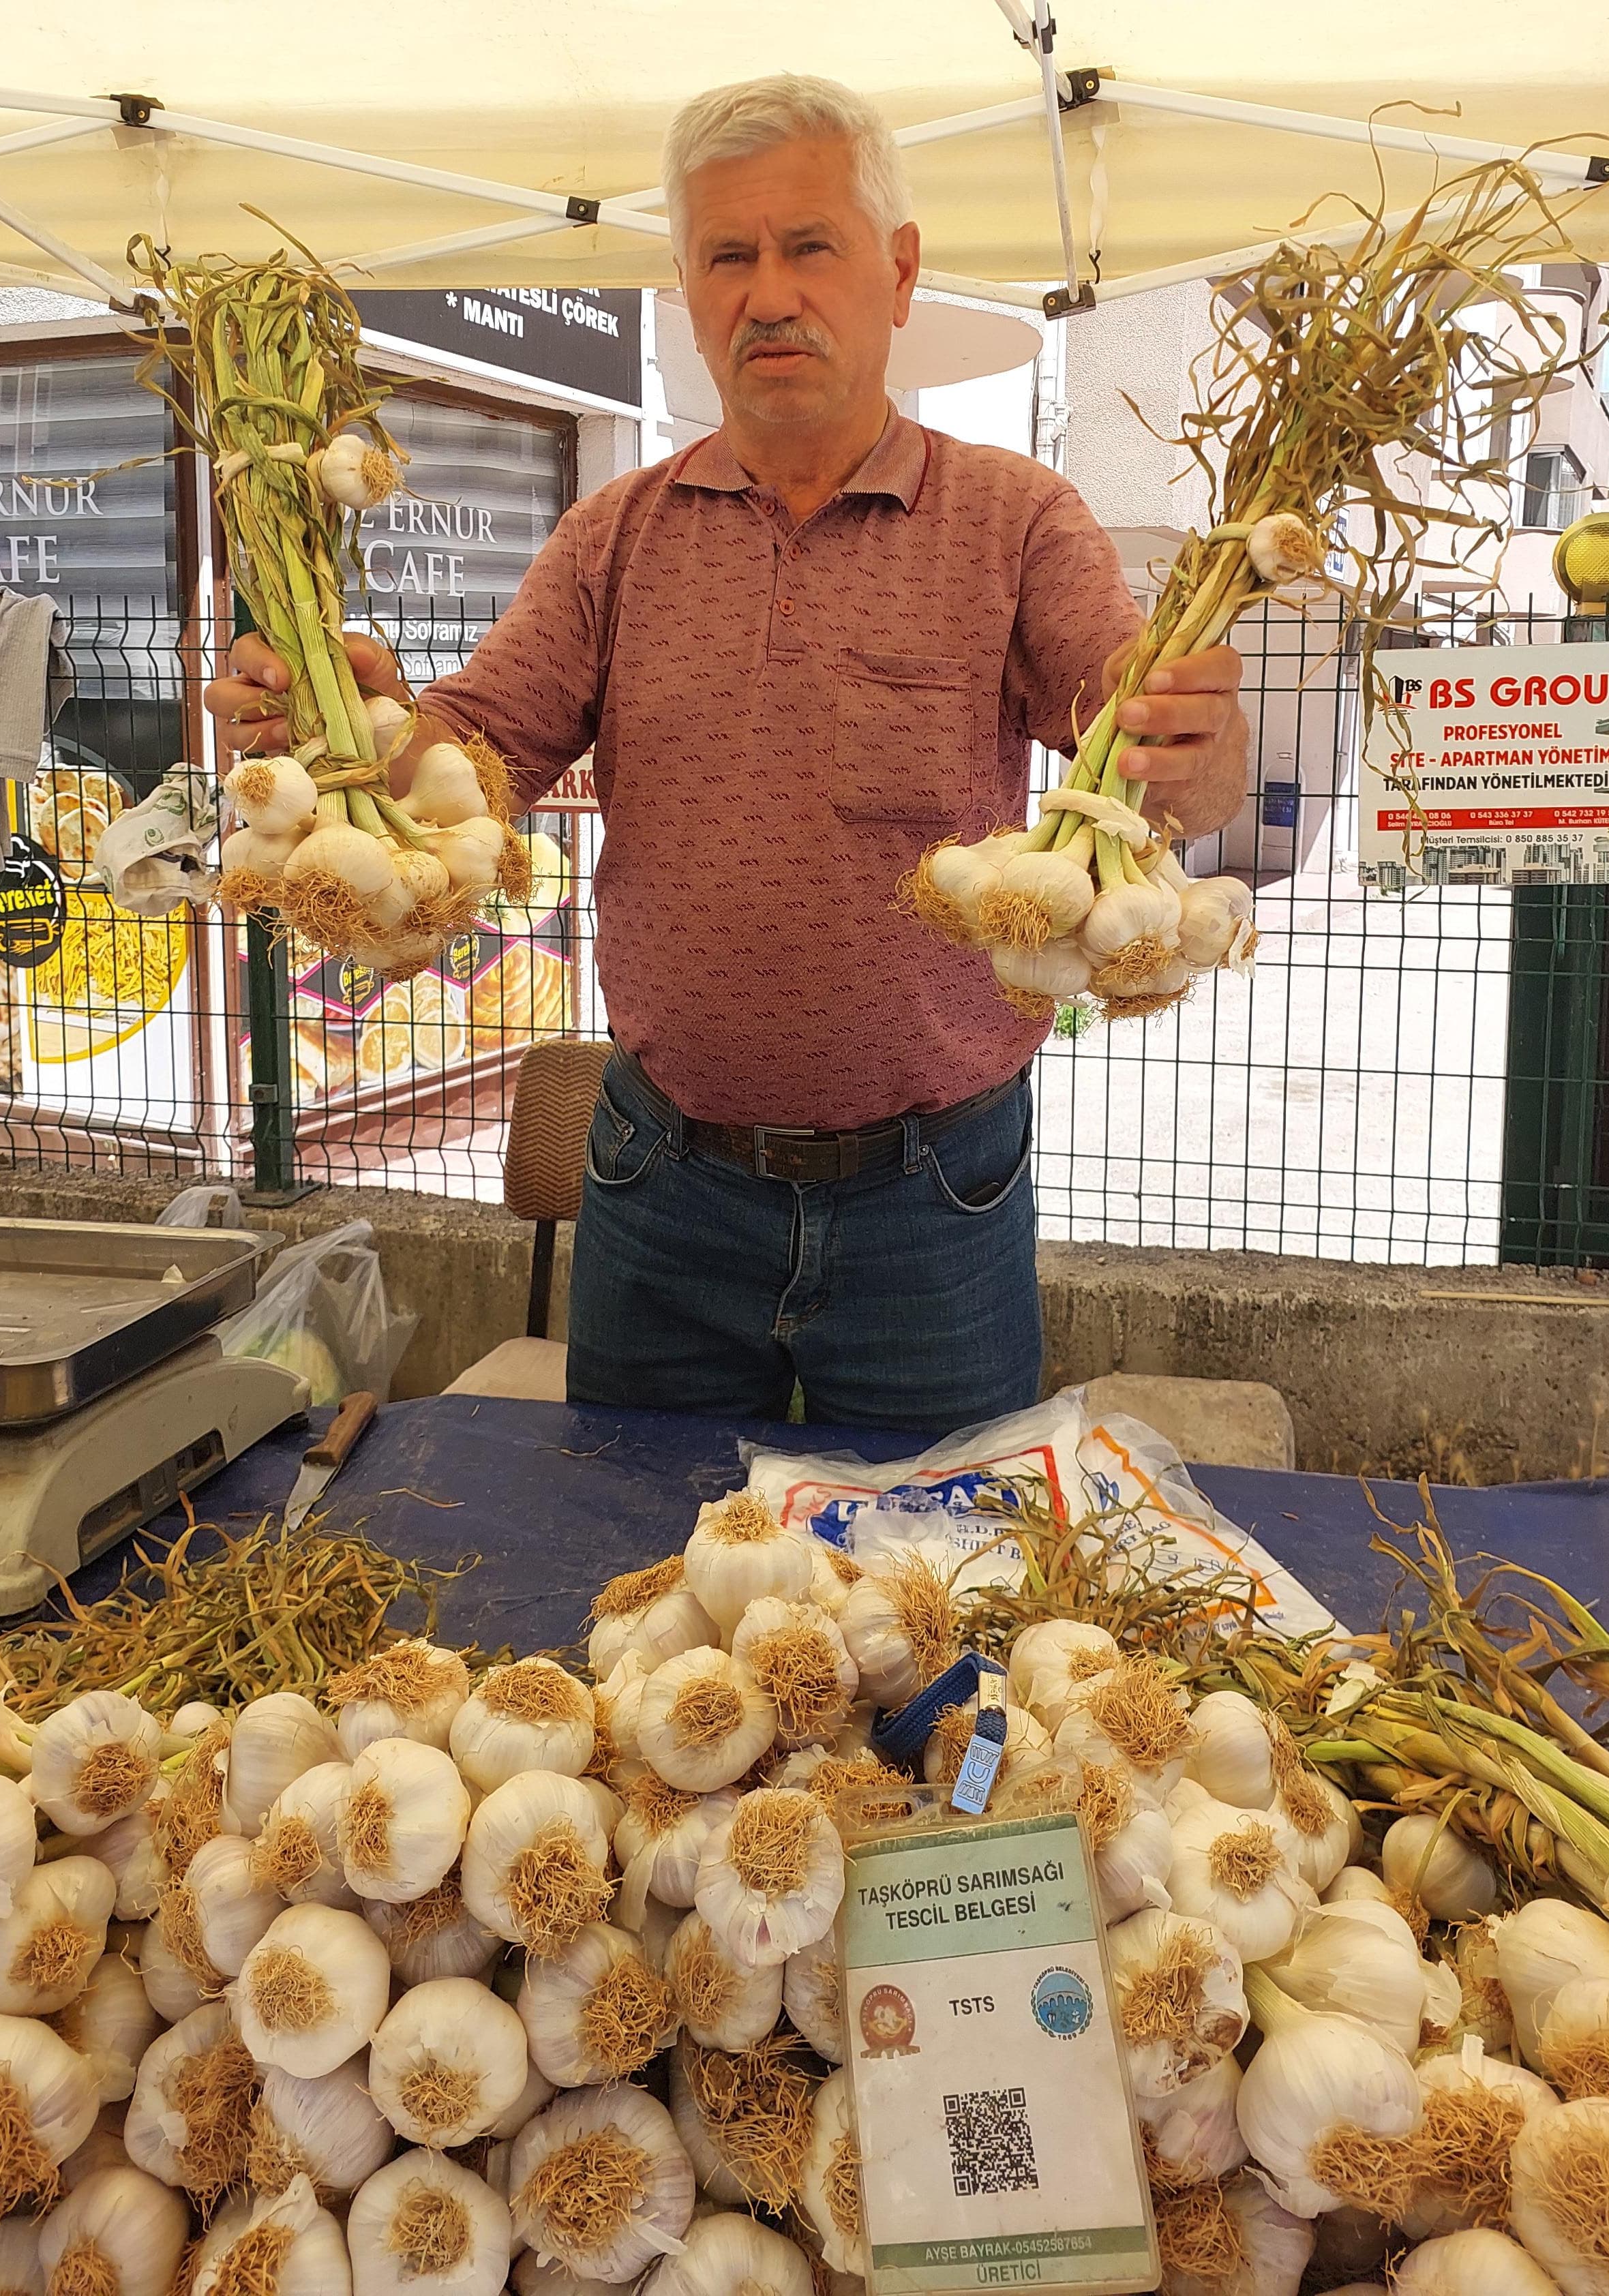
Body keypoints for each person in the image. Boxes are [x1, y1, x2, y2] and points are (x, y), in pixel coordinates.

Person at [206, 73, 1248, 1436]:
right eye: (727, 256)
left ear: (899, 272)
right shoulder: (617, 534)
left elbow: (1166, 755)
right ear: (689, 295)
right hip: (664, 1185)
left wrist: (1198, 740)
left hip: (934, 1198)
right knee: (639, 1574)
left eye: (809, 246)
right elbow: (481, 747)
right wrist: (356, 730)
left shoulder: (1015, 521)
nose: (768, 292)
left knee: (940, 1571)